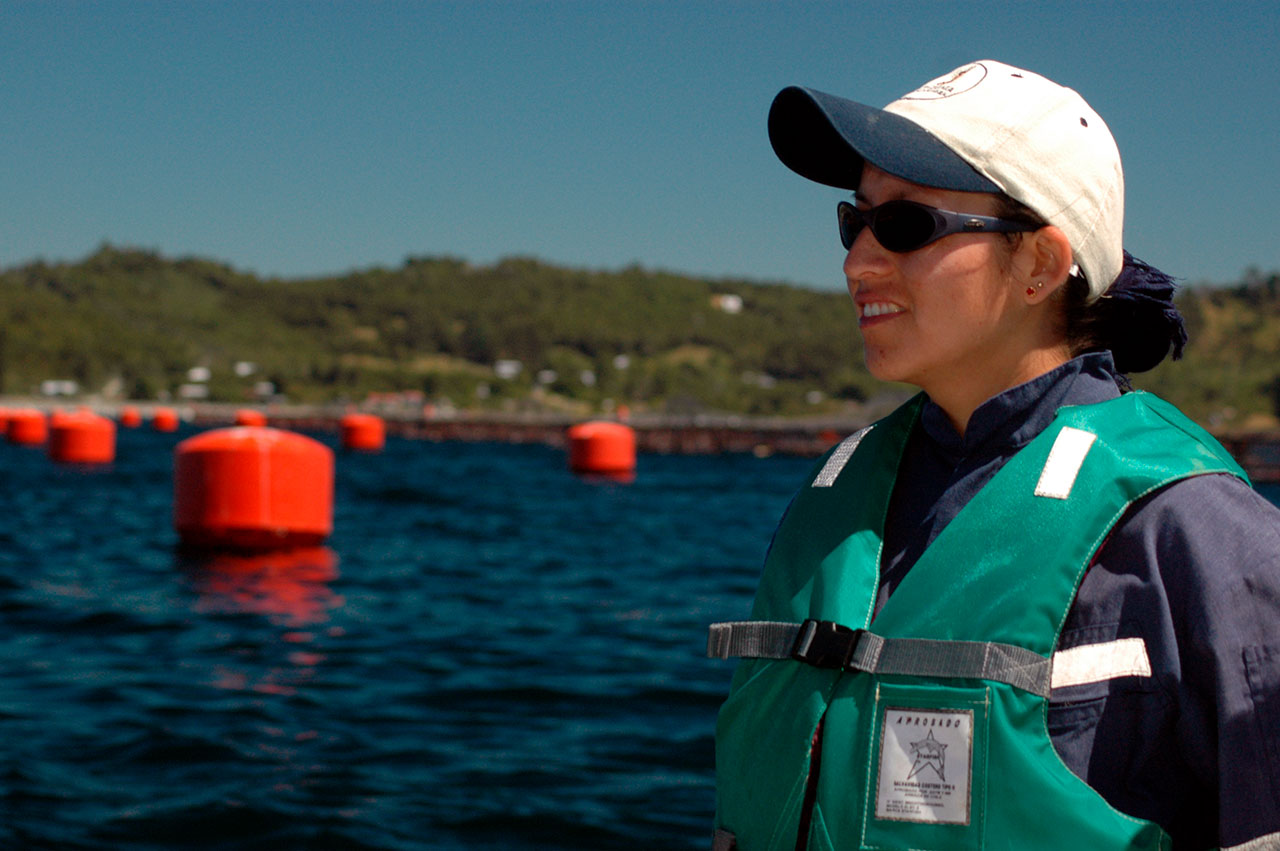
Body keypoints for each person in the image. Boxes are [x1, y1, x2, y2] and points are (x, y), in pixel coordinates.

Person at [706, 60, 1280, 851]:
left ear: (1041, 264)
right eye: (855, 221)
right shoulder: (841, 498)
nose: (857, 262)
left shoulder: (1197, 531)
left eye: (906, 226)